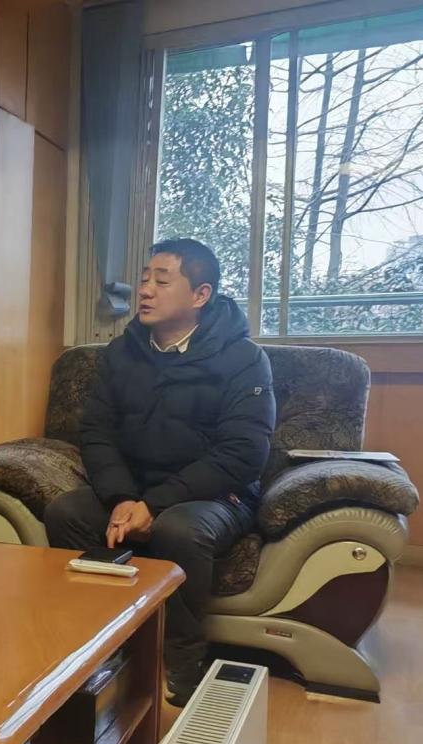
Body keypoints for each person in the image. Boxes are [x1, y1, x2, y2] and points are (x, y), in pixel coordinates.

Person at [43, 238, 275, 706]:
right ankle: (102, 646)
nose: (145, 290)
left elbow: (242, 453)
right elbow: (97, 433)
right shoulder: (122, 353)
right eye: (144, 279)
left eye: (162, 281)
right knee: (67, 512)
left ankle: (183, 661)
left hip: (213, 495)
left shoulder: (244, 359)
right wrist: (122, 497)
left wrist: (155, 503)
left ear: (200, 295)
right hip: (134, 490)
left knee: (179, 529)